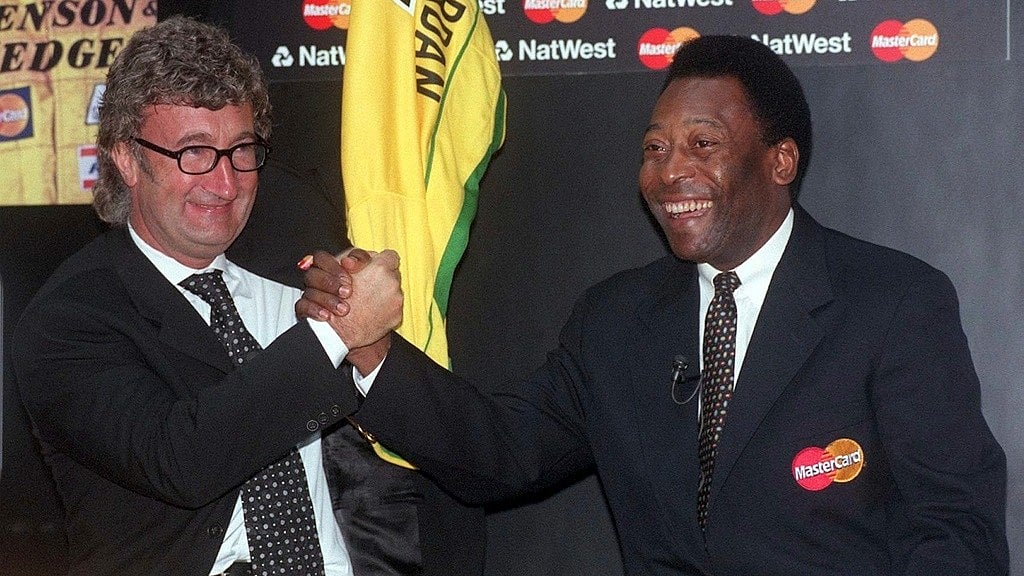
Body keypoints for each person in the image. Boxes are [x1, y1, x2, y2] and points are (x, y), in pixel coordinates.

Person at [299, 35, 1009, 575]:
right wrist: (368, 348)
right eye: (655, 147)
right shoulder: (616, 320)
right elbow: (500, 453)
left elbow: (956, 528)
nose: (670, 172)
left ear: (780, 161)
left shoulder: (892, 303)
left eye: (704, 144)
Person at [10, 16, 403, 576]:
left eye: (240, 150)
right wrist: (336, 334)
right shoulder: (68, 319)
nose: (224, 183)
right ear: (127, 158)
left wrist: (369, 345)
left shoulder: (296, 280)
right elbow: (183, 459)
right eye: (193, 153)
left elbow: (440, 439)